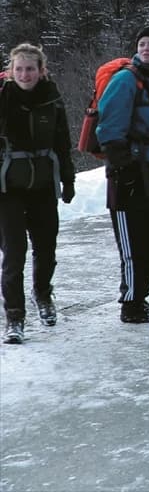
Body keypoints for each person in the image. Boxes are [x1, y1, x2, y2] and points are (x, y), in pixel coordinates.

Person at [96, 26, 149, 324]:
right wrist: (121, 165)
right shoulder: (125, 79)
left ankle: (140, 298)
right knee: (132, 247)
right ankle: (130, 305)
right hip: (127, 175)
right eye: (141, 43)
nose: (146, 48)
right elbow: (108, 126)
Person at [0, 44, 75, 344]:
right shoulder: (3, 99)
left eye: (30, 68)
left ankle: (42, 295)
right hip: (8, 189)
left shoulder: (52, 100)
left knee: (46, 250)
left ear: (41, 70)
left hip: (43, 185)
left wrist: (68, 181)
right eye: (19, 69)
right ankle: (14, 316)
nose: (24, 74)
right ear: (9, 71)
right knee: (14, 254)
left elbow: (63, 144)